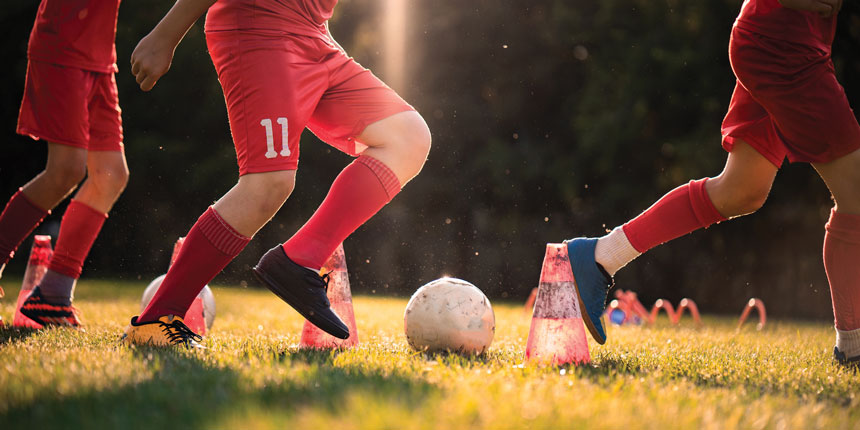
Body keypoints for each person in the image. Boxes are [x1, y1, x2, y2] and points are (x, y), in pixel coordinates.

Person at [566, 0, 860, 367]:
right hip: (784, 47)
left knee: (740, 191)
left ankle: (599, 257)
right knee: (856, 198)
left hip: (788, 43)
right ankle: (853, 348)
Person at [122, 0, 431, 346]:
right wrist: (166, 34)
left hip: (315, 36)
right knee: (267, 183)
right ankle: (154, 321)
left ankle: (300, 260)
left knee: (409, 137)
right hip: (259, 28)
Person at [0, 0, 129, 327]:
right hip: (62, 46)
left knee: (111, 174)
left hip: (100, 58)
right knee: (66, 168)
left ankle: (54, 296)